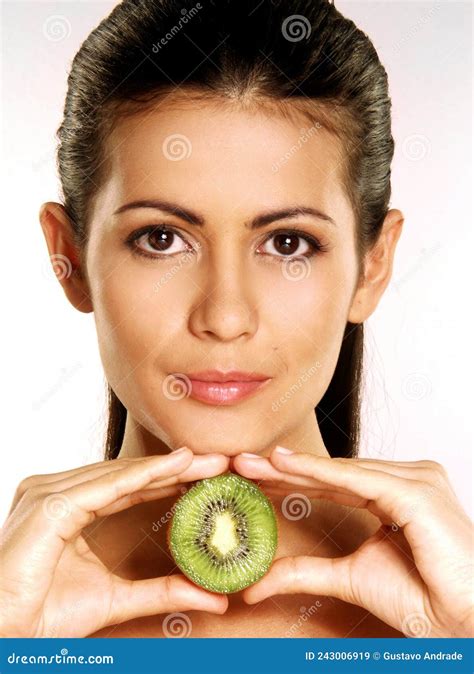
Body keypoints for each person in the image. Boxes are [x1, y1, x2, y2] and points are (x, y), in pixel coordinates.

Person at [1, 0, 472, 639]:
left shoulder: (448, 623)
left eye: (287, 244)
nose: (225, 317)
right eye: (162, 238)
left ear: (372, 267)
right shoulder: (21, 623)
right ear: (70, 258)